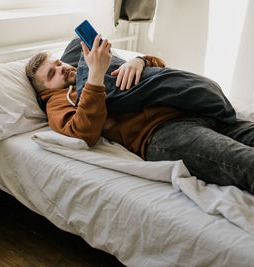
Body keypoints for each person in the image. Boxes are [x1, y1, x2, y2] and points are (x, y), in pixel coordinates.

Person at [25, 34, 254, 195]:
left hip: (191, 106)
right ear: (44, 91)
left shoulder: (90, 65)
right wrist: (94, 75)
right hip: (163, 132)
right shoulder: (56, 102)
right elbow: (83, 133)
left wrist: (139, 61)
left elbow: (157, 71)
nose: (62, 68)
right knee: (245, 163)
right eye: (52, 73)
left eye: (58, 62)